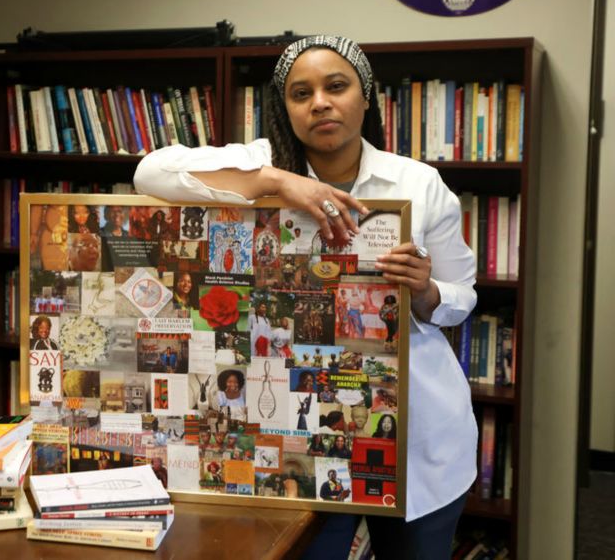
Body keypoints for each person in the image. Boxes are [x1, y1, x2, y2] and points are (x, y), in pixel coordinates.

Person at [134, 35, 477, 560]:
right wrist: (279, 181)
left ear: (365, 97)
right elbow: (149, 172)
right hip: (293, 436)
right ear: (285, 108)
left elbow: (463, 296)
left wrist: (426, 289)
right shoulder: (257, 165)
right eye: (301, 93)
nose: (320, 102)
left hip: (415, 432)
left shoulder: (419, 183)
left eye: (335, 86)